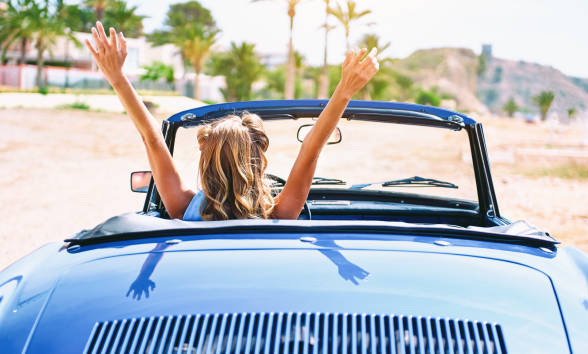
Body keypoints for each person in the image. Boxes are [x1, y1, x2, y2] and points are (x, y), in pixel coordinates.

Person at [85, 21, 378, 221]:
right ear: (258, 162)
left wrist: (117, 78)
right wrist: (345, 89)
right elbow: (311, 148)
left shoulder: (183, 208)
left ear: (206, 162)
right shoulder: (278, 215)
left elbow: (151, 138)